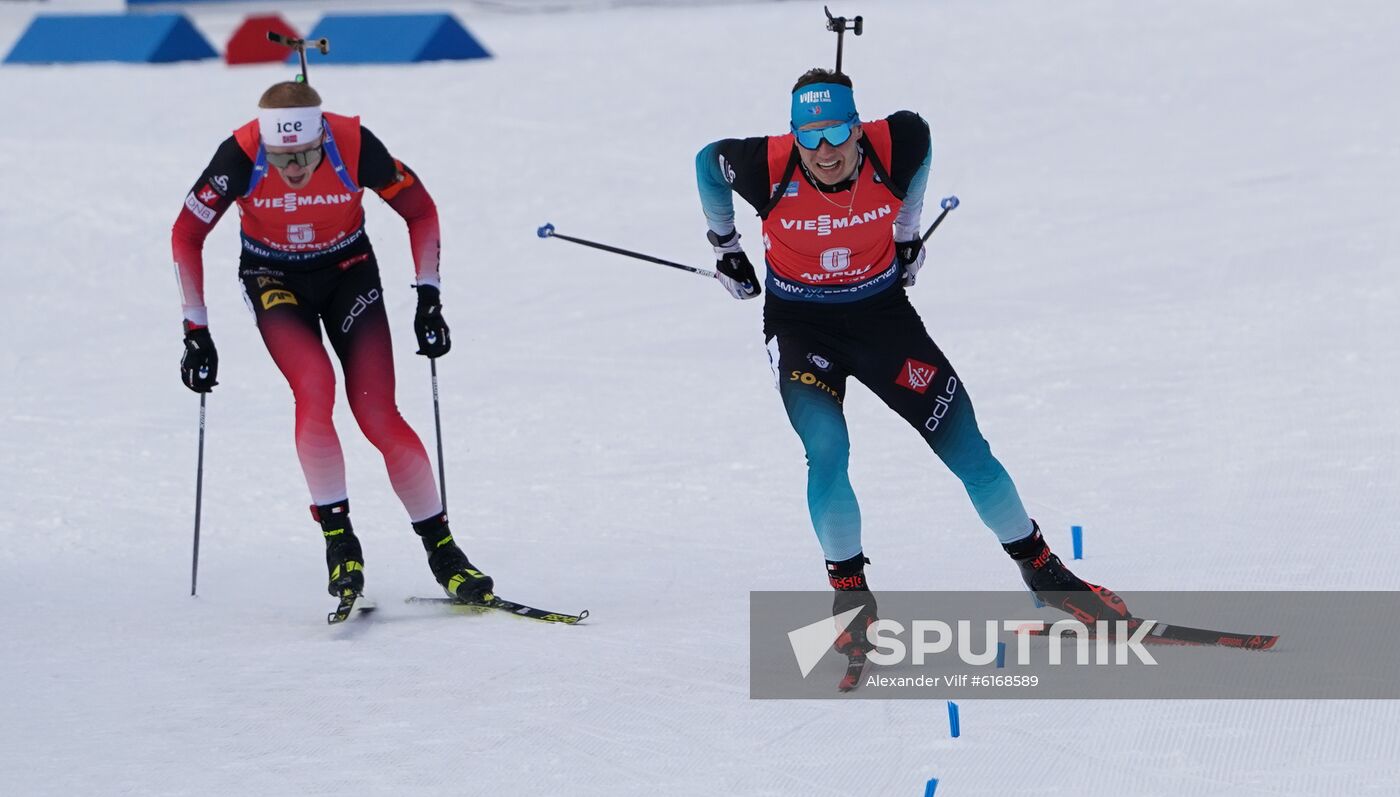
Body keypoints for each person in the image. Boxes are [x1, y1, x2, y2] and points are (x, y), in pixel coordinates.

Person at [694, 68, 1128, 654]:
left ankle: (1046, 578)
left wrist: (906, 234)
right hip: (801, 328)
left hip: (883, 321)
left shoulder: (897, 143)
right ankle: (852, 602)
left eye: (836, 135)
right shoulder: (763, 164)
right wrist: (726, 247)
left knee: (969, 448)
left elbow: (921, 139)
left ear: (858, 128)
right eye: (809, 137)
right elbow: (706, 161)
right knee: (827, 451)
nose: (824, 152)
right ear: (793, 136)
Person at [171, 80, 493, 605]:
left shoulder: (355, 144)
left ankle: (443, 550)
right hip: (272, 277)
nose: (294, 170)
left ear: (322, 138)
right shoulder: (239, 154)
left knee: (377, 413)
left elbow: (420, 210)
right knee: (315, 389)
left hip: (348, 273)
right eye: (281, 158)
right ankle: (340, 541)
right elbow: (186, 233)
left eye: (305, 155)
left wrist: (428, 297)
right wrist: (196, 330)